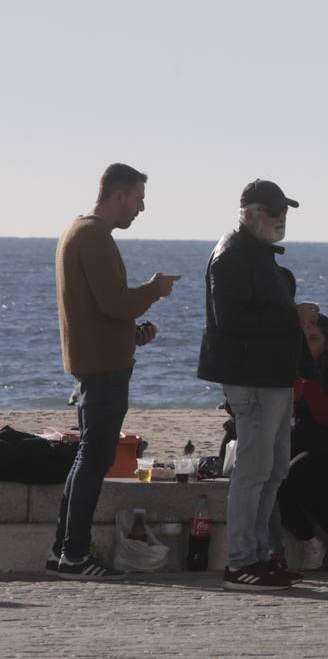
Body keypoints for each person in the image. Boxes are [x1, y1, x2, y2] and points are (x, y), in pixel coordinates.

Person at [49, 164, 179, 579]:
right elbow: (115, 303)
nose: (141, 208)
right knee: (94, 456)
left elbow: (99, 309)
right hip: (103, 370)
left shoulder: (78, 231)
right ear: (119, 195)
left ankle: (63, 551)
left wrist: (131, 335)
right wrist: (154, 291)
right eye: (138, 198)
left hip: (98, 362)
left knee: (88, 456)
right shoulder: (94, 236)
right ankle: (73, 555)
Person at [198, 179, 317, 591]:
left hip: (273, 377)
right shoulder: (232, 254)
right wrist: (293, 317)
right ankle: (241, 561)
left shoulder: (256, 251)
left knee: (274, 467)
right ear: (250, 213)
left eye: (284, 211)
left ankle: (263, 555)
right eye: (274, 211)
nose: (282, 218)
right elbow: (231, 320)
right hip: (252, 378)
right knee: (253, 469)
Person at [278, 313, 328, 573]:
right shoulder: (290, 367)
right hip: (299, 444)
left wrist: (308, 389)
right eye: (302, 340)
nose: (307, 345)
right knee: (273, 476)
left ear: (327, 341)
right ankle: (309, 540)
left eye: (313, 339)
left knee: (303, 473)